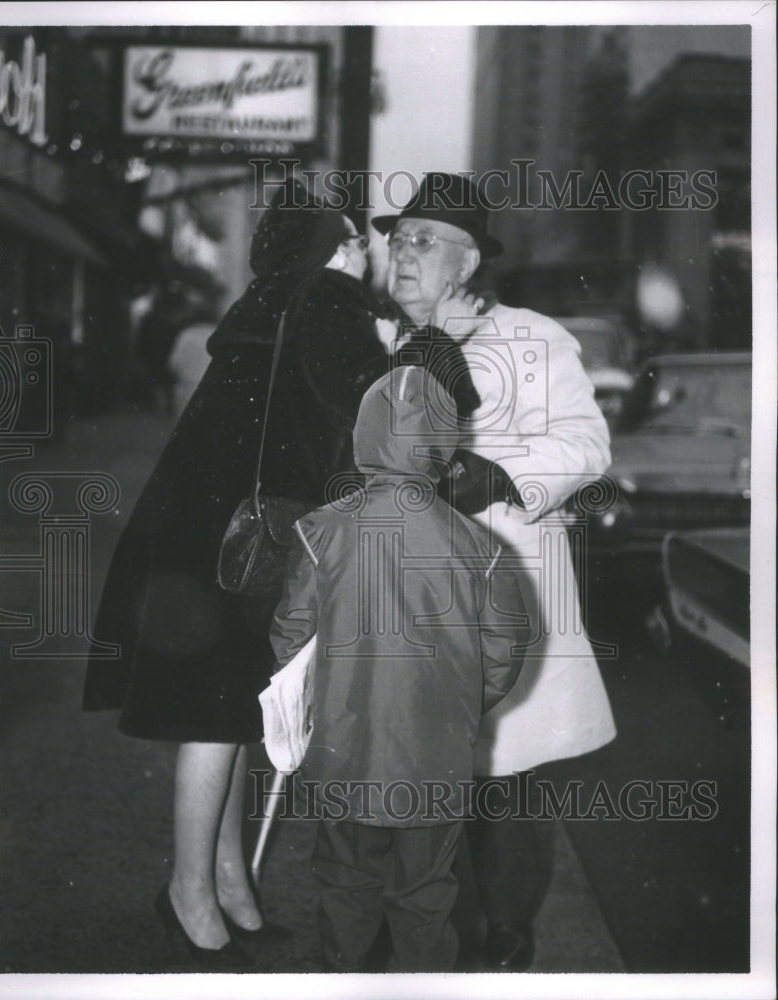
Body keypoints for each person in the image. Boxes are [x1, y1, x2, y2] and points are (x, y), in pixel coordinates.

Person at [82, 180, 397, 969]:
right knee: (218, 718)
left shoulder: (266, 302)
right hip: (242, 547)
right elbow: (377, 415)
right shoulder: (329, 300)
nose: (367, 251)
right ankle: (190, 891)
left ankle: (226, 883)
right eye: (356, 238)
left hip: (204, 536)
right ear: (333, 245)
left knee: (222, 715)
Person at [372, 172, 617, 971]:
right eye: (395, 239)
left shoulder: (531, 337)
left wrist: (496, 474)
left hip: (499, 591)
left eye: (422, 242)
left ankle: (507, 944)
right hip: (397, 599)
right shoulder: (370, 342)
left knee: (502, 777)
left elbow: (585, 446)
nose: (402, 256)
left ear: (468, 262)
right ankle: (406, 938)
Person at [269, 365, 530, 972]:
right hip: (435, 759)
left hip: (343, 753)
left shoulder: (319, 532)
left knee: (345, 884)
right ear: (443, 448)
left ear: (363, 437)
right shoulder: (482, 547)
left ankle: (345, 977)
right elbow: (503, 653)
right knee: (426, 896)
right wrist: (458, 703)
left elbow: (289, 638)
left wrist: (322, 699)